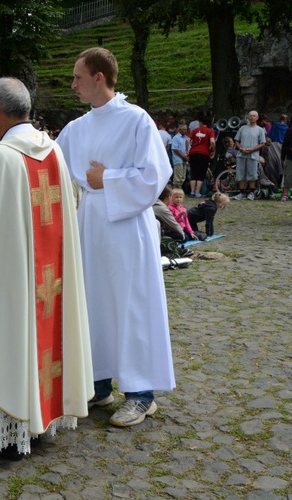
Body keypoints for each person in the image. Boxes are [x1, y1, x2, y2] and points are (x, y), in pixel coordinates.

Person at [0, 77, 93, 460]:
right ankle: (38, 424)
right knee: (42, 342)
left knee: (10, 341)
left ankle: (8, 438)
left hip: (13, 277)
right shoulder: (53, 151)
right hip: (49, 277)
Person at [56, 47, 175, 427]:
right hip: (90, 224)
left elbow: (156, 175)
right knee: (92, 302)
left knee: (130, 304)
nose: (72, 84)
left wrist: (106, 179)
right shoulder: (76, 129)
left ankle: (141, 394)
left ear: (99, 78)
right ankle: (98, 384)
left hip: (127, 226)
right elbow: (48, 161)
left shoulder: (136, 119)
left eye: (78, 77)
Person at [233, 110, 266, 200]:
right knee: (241, 174)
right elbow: (236, 140)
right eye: (250, 116)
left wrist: (252, 149)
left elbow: (263, 143)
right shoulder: (242, 128)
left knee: (252, 174)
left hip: (253, 155)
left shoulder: (260, 130)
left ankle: (251, 192)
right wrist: (240, 148)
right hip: (241, 154)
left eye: (254, 116)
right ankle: (241, 192)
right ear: (248, 117)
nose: (252, 117)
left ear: (257, 117)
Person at [187, 117, 216, 198]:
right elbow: (212, 141)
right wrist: (214, 151)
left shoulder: (195, 130)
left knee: (193, 172)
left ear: (201, 122)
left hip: (193, 152)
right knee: (201, 173)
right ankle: (197, 192)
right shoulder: (210, 131)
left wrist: (187, 150)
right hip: (204, 153)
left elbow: (188, 140)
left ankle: (192, 191)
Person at [171, 123, 188, 189]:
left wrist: (186, 156)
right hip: (178, 159)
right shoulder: (176, 137)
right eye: (184, 129)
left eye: (186, 129)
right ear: (180, 129)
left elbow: (187, 148)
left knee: (183, 176)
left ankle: (178, 190)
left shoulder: (186, 138)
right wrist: (183, 156)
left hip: (185, 159)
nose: (185, 131)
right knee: (178, 177)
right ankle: (175, 190)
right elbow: (175, 149)